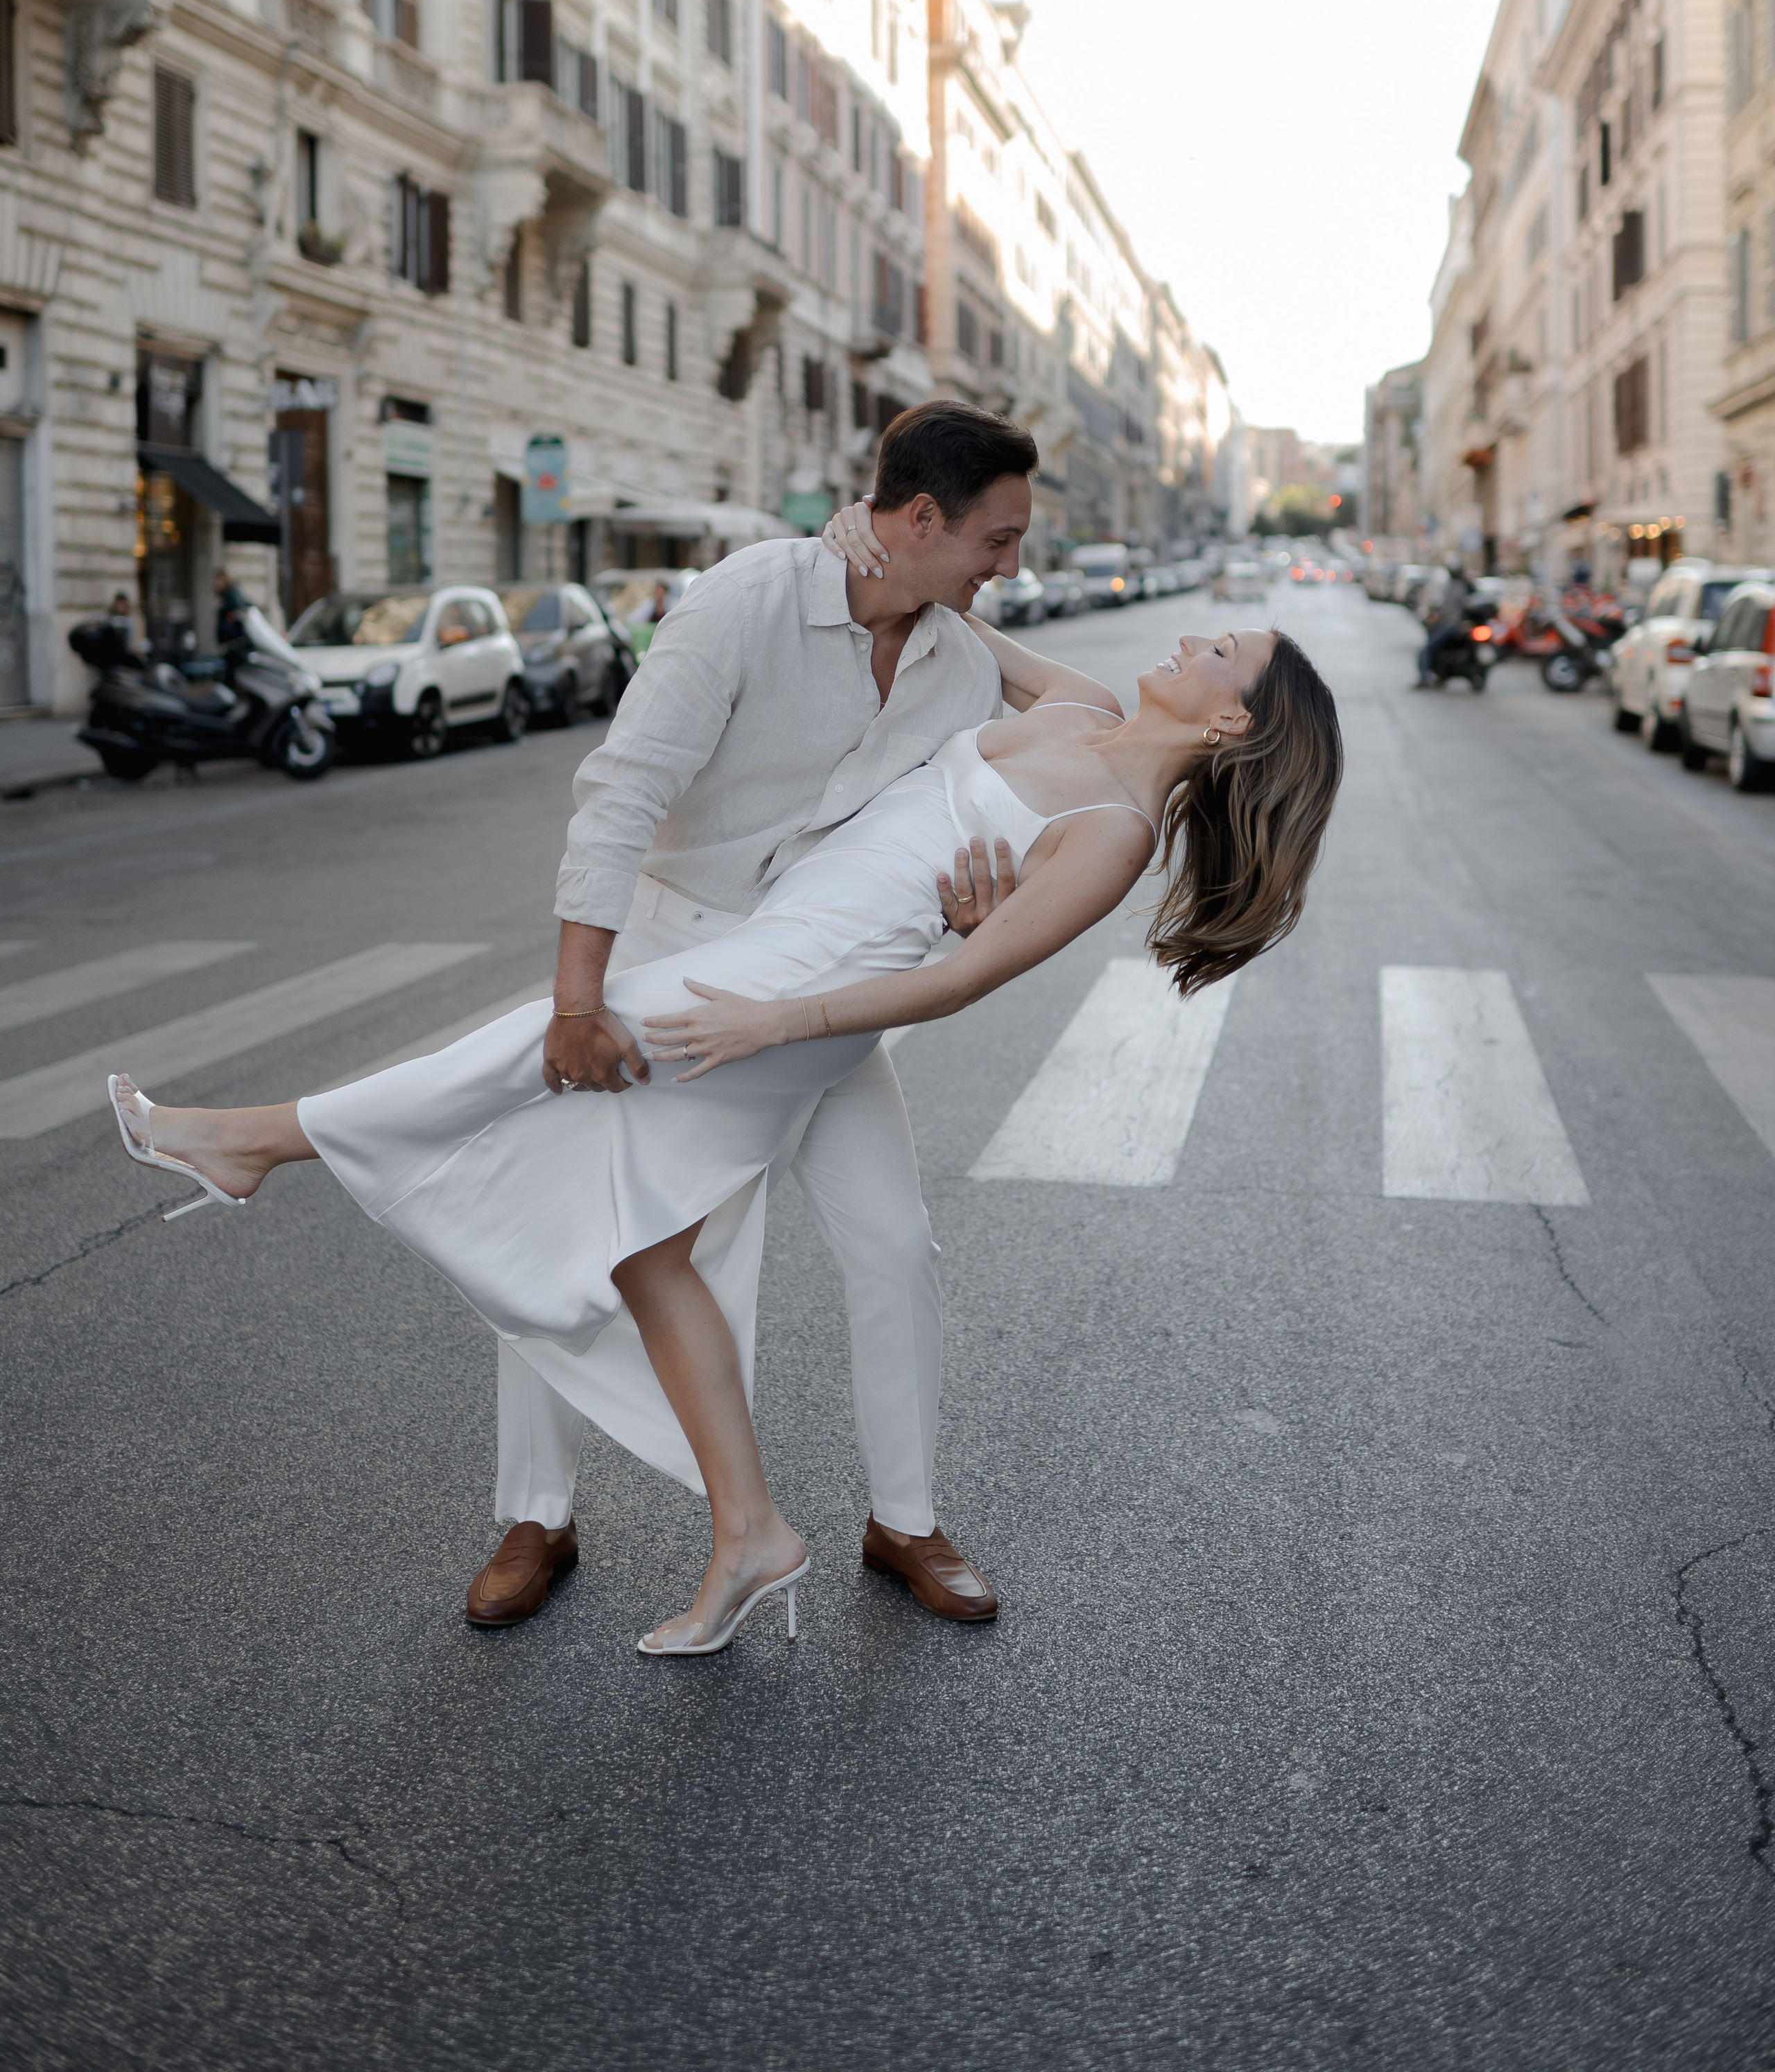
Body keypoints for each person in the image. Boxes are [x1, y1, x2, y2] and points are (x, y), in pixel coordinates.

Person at [109, 606, 1342, 1656]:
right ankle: (737, 1528)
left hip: (801, 989)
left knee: (545, 1054)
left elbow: (968, 978)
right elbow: (946, 607)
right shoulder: (1078, 707)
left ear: (1232, 720)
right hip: (766, 945)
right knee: (638, 1239)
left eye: (1220, 649)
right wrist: (863, 535)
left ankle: (254, 1138)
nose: (1193, 638)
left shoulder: (1116, 827)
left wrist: (779, 1018)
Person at [1415, 558, 1472, 687]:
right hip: (1453, 623)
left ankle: (1424, 678)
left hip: (1450, 624)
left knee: (1428, 648)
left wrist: (1438, 616)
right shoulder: (1461, 585)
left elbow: (1449, 608)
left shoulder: (1456, 586)